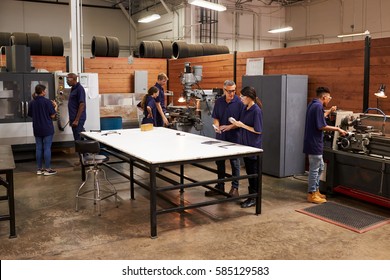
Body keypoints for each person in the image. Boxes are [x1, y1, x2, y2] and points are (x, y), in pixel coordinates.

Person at [303, 86, 347, 204]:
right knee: (314, 169)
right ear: (324, 97)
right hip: (314, 143)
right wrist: (338, 129)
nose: (329, 100)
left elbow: (320, 118)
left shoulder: (313, 104)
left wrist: (329, 111)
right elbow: (321, 126)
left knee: (320, 167)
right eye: (329, 98)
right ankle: (311, 194)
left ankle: (316, 190)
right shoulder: (318, 106)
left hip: (313, 142)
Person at [205, 80, 245, 197]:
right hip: (221, 136)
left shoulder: (240, 103)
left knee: (234, 162)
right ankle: (220, 185)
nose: (231, 94)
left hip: (234, 137)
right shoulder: (219, 102)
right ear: (224, 90)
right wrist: (216, 126)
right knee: (220, 162)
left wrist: (230, 127)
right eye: (229, 91)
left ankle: (235, 188)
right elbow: (216, 117)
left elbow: (241, 122)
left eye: (233, 91)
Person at [229, 86, 263, 208]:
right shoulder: (245, 108)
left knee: (253, 173)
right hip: (245, 145)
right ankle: (251, 195)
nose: (241, 98)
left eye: (242, 96)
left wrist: (242, 125)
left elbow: (258, 130)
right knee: (249, 172)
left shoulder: (256, 111)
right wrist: (236, 123)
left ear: (248, 97)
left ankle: (253, 197)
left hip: (253, 146)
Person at [28, 84, 58, 176]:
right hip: (47, 128)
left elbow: (31, 114)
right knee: (47, 148)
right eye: (44, 91)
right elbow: (53, 115)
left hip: (37, 128)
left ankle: (39, 169)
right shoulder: (47, 102)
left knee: (38, 148)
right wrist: (55, 106)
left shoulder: (32, 102)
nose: (45, 92)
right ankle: (48, 169)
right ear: (42, 92)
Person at [66, 73, 86, 141]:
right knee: (77, 137)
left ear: (74, 79)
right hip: (73, 118)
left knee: (78, 139)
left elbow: (82, 104)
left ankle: (82, 151)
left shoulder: (79, 89)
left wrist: (77, 120)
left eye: (68, 79)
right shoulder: (73, 88)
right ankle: (82, 151)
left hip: (78, 119)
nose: (67, 81)